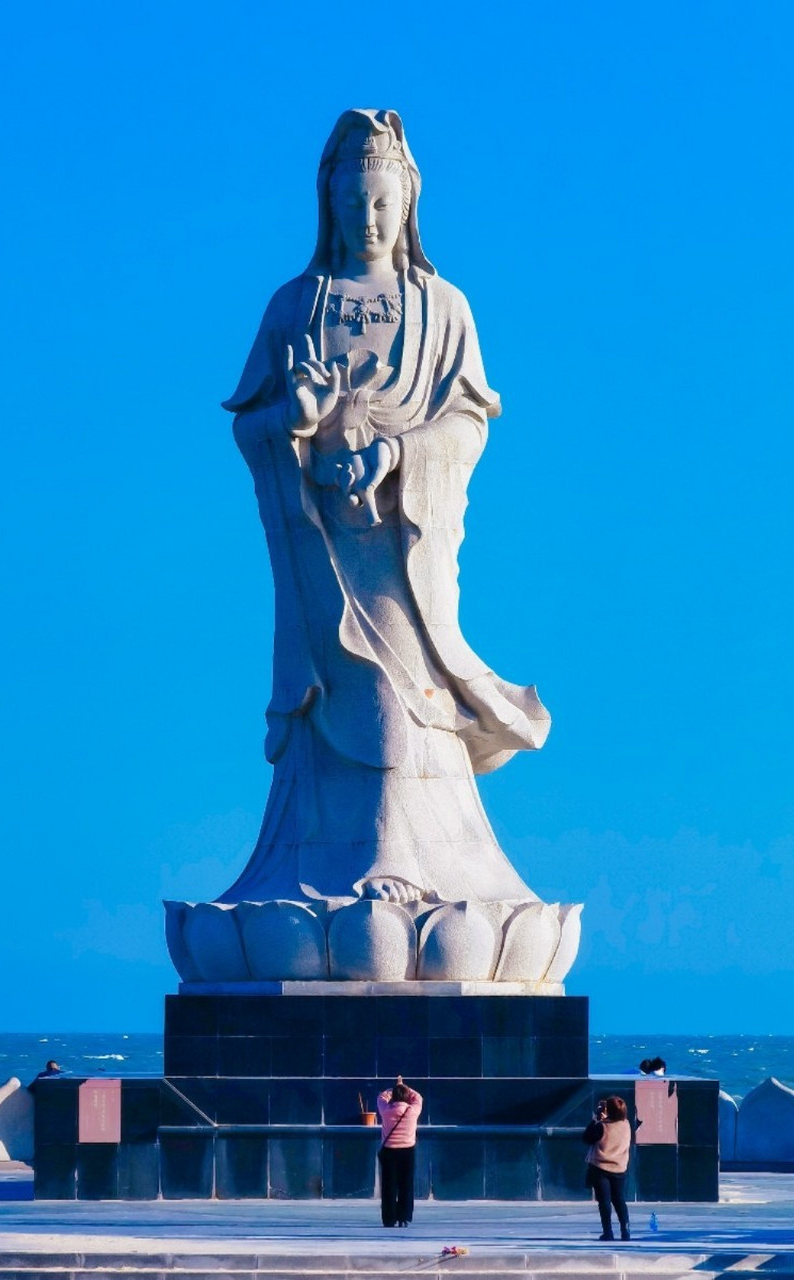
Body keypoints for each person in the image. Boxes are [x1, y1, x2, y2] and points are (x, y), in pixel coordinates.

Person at [220, 108, 550, 908]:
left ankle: (405, 853)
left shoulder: (443, 308)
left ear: (406, 205)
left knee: (404, 686)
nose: (366, 219)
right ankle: (327, 864)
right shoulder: (294, 306)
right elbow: (252, 427)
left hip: (402, 547)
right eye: (351, 202)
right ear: (326, 203)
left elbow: (467, 423)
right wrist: (292, 424)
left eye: (380, 203)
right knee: (340, 688)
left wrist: (397, 452)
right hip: (321, 547)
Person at [582, 1095, 632, 1241]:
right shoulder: (626, 1124)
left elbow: (587, 1138)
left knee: (604, 1201)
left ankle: (608, 1232)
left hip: (601, 1167)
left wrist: (596, 1118)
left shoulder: (602, 1126)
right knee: (619, 1200)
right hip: (619, 1168)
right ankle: (625, 1230)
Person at [376, 1075, 422, 1227]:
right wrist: (405, 1087)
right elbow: (418, 1097)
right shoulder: (413, 1110)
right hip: (407, 1151)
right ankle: (404, 1216)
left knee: (388, 1186)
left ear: (393, 1096)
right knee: (406, 1185)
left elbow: (382, 1096)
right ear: (407, 1096)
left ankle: (389, 1218)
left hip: (389, 1151)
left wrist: (394, 1087)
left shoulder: (386, 1110)